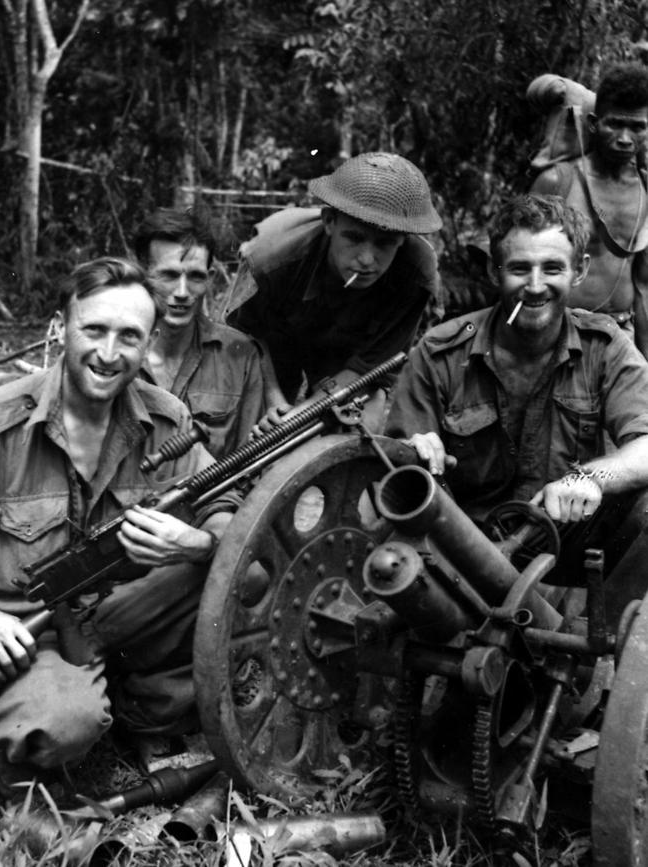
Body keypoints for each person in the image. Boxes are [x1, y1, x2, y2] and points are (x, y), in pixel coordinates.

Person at [0, 258, 231, 791]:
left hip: (111, 620)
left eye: (129, 336)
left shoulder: (166, 420)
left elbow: (225, 506)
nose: (108, 354)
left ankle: (149, 716)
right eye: (94, 330)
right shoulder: (3, 421)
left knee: (235, 568)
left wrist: (195, 542)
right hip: (24, 633)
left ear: (149, 341)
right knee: (65, 724)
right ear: (59, 328)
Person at [386, 195, 648, 588]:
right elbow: (396, 464)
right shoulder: (441, 352)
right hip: (463, 550)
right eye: (520, 268)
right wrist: (417, 449)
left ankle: (601, 636)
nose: (536, 286)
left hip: (569, 544)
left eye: (553, 268)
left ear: (579, 271)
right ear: (495, 272)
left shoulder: (605, 348)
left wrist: (591, 477)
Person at [225, 152, 443, 433]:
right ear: (329, 221)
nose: (367, 259)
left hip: (348, 358)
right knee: (253, 434)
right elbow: (247, 338)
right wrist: (273, 401)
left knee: (358, 432)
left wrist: (303, 414)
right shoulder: (269, 258)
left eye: (384, 244)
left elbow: (369, 367)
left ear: (403, 239)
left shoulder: (417, 275)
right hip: (274, 347)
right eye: (354, 238)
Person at [530, 63, 648, 358]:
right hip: (555, 333)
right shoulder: (558, 180)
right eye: (615, 124)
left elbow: (645, 287)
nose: (624, 138)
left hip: (620, 337)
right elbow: (516, 263)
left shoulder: (646, 191)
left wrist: (644, 364)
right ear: (594, 124)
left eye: (637, 127)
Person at [134, 206, 264, 456]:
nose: (182, 292)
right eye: (169, 275)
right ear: (143, 276)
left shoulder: (239, 354)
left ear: (210, 278)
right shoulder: (113, 352)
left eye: (195, 277)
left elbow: (251, 459)